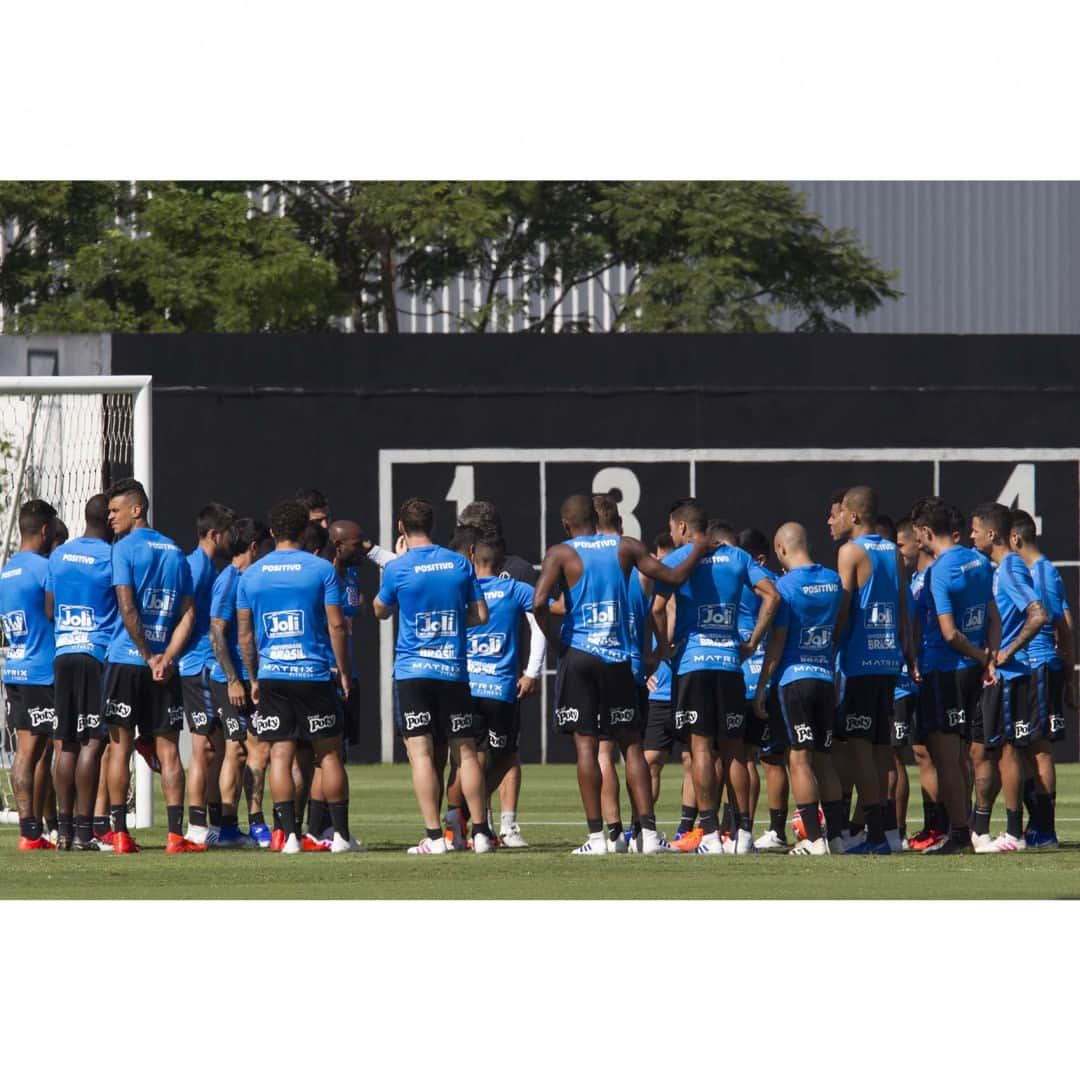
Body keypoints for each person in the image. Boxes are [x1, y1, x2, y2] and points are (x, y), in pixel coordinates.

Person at [532, 494, 707, 855]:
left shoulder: (561, 553)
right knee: (631, 746)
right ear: (596, 521)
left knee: (587, 745)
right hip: (616, 659)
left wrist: (557, 642)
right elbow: (672, 576)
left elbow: (538, 603)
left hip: (579, 655)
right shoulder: (625, 547)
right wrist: (698, 549)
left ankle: (598, 839)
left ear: (567, 525)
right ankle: (648, 835)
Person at [652, 500, 780, 856]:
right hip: (729, 664)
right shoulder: (738, 557)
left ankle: (709, 834)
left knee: (701, 748)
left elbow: (658, 608)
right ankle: (741, 836)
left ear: (680, 528)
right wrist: (752, 642)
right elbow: (772, 595)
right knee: (736, 752)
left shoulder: (677, 560)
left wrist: (664, 648)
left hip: (694, 664)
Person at [373, 498, 493, 855]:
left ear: (400, 528)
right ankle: (483, 834)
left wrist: (394, 565)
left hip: (413, 672)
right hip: (452, 670)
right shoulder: (459, 563)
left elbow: (379, 610)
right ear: (434, 524)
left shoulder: (398, 567)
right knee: (466, 753)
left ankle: (435, 837)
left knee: (421, 754)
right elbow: (481, 615)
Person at [237, 499, 357, 854]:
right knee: (330, 756)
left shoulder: (252, 573)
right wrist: (345, 672)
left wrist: (254, 677)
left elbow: (245, 634)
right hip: (314, 673)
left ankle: (287, 837)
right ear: (304, 529)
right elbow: (336, 623)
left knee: (280, 755)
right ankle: (340, 838)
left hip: (273, 673)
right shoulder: (321, 569)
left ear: (272, 533)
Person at [101, 479, 199, 854]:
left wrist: (146, 655)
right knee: (170, 751)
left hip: (128, 661)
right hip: (164, 668)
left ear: (136, 510)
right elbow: (187, 613)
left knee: (119, 750)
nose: (111, 517)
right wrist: (167, 657)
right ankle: (176, 836)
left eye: (116, 510)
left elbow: (127, 608)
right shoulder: (176, 552)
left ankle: (121, 834)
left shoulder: (123, 549)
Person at [754, 523, 846, 856]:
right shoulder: (834, 580)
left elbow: (776, 644)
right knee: (824, 759)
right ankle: (835, 837)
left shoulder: (785, 586)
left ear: (780, 550)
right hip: (824, 677)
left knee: (798, 759)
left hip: (795, 679)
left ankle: (812, 839)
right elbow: (838, 627)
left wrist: (762, 686)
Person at [909, 496, 993, 855]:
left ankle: (959, 834)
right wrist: (988, 657)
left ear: (927, 532)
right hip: (971, 669)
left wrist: (976, 655)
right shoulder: (980, 560)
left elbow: (948, 632)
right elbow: (992, 613)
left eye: (917, 535)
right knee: (960, 756)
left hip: (946, 669)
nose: (916, 542)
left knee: (947, 758)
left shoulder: (938, 571)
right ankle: (965, 830)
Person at [833, 486, 911, 855]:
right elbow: (903, 609)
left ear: (854, 516)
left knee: (861, 748)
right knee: (882, 749)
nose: (832, 519)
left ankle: (876, 836)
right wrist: (907, 654)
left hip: (861, 662)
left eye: (839, 513)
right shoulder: (894, 553)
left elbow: (844, 607)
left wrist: (828, 644)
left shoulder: (850, 552)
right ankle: (888, 833)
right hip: (889, 659)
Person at [968, 502, 1047, 852]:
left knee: (1008, 752)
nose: (971, 536)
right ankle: (978, 826)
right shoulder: (997, 569)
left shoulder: (1012, 567)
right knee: (982, 751)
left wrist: (1007, 652)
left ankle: (1014, 832)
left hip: (1010, 676)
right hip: (997, 677)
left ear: (992, 534)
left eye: (975, 530)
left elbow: (1038, 614)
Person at [457, 531, 545, 845]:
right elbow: (541, 626)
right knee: (505, 756)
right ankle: (474, 820)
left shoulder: (461, 588)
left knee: (469, 757)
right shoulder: (516, 588)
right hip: (501, 689)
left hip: (465, 687)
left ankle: (464, 817)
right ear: (501, 562)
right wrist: (532, 671)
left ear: (471, 557)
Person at [44, 494, 119, 850]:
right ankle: (86, 832)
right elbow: (125, 604)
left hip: (63, 653)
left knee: (67, 742)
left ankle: (62, 831)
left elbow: (49, 609)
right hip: (95, 653)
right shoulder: (112, 557)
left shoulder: (59, 555)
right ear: (109, 520)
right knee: (93, 741)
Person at [1009, 509, 1074, 847]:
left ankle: (1044, 828)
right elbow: (1066, 624)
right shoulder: (1044, 570)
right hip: (1036, 665)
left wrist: (1069, 677)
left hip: (1037, 664)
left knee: (1037, 749)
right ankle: (1036, 826)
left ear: (1015, 538)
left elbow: (1059, 625)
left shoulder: (1039, 572)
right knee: (1024, 748)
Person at [208, 518, 272, 847]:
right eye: (265, 548)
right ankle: (228, 826)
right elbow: (216, 630)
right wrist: (233, 680)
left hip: (251, 678)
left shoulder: (252, 578)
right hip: (227, 677)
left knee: (258, 748)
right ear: (254, 547)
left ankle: (257, 820)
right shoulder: (228, 580)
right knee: (234, 748)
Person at [1, 499, 59, 850]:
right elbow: (54, 613)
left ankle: (32, 831)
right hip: (42, 671)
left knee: (30, 752)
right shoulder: (44, 569)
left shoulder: (6, 570)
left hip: (16, 667)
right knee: (44, 751)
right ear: (44, 530)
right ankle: (45, 829)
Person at [179, 502, 235, 846]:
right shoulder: (195, 568)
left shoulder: (207, 567)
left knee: (215, 747)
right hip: (196, 665)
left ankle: (213, 825)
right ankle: (196, 826)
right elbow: (182, 616)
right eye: (229, 534)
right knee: (202, 748)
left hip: (203, 665)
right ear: (215, 534)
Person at [737, 527, 790, 852]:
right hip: (768, 676)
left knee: (747, 758)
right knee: (771, 759)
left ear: (757, 558)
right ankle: (774, 830)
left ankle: (743, 829)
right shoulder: (776, 583)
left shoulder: (745, 580)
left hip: (748, 677)